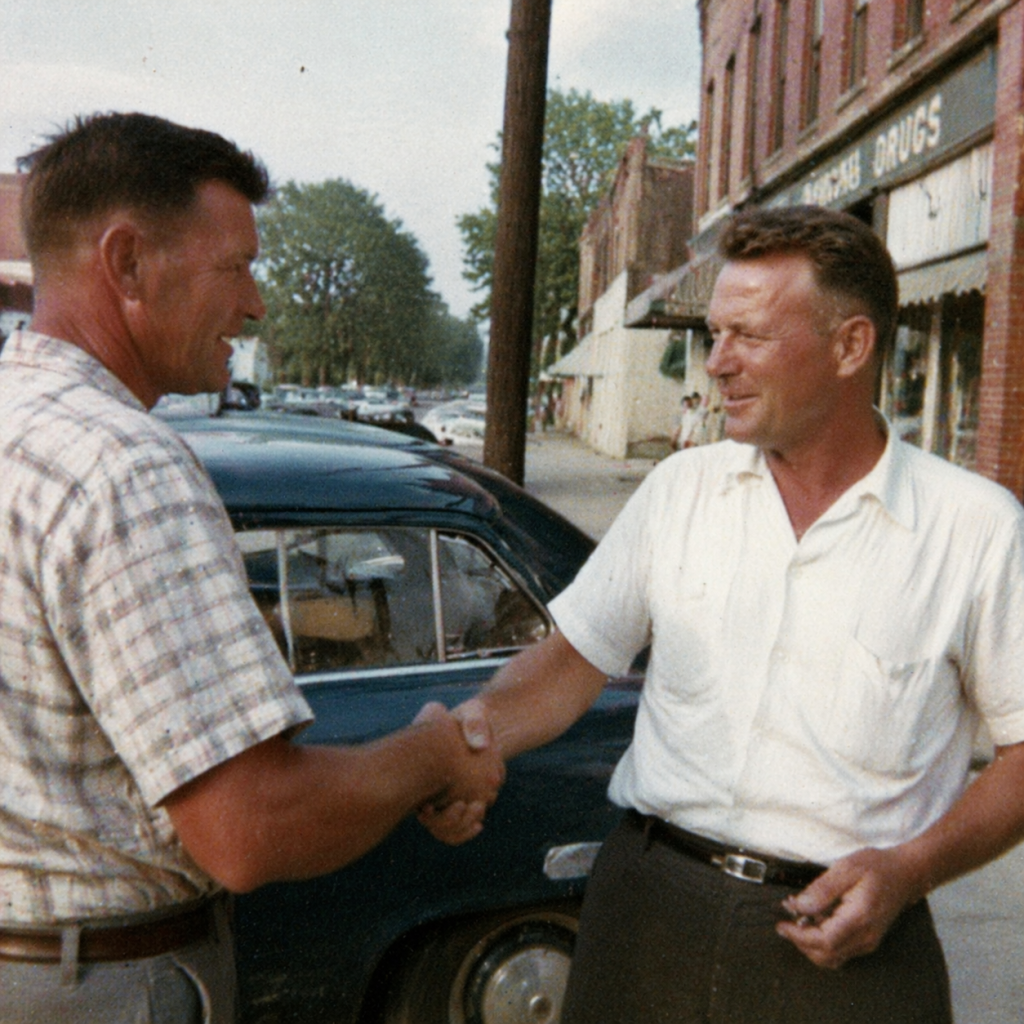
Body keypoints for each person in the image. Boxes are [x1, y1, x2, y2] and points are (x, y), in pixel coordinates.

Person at [426, 205, 1024, 1022]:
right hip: (646, 917)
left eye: (748, 336)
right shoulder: (681, 491)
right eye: (714, 334)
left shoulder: (976, 529)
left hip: (849, 948)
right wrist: (470, 739)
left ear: (851, 346)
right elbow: (569, 663)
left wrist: (912, 869)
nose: (716, 364)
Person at [0, 113, 502, 1024]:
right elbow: (248, 828)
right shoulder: (127, 466)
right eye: (236, 266)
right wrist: (430, 753)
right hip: (101, 987)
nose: (257, 304)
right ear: (127, 264)